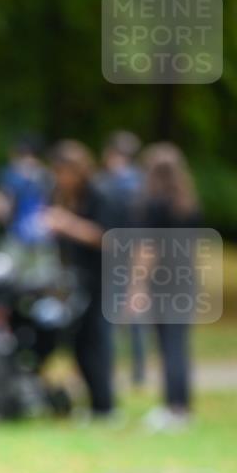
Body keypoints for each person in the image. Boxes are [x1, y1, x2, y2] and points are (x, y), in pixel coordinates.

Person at [43, 140, 120, 419]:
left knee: (97, 342)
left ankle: (106, 406)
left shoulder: (99, 196)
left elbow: (109, 238)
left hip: (103, 278)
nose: (61, 179)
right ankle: (94, 405)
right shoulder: (60, 195)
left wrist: (67, 224)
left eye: (65, 172)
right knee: (77, 343)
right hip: (75, 280)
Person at [135, 143, 202, 431]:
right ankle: (181, 407)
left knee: (168, 345)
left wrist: (137, 285)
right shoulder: (188, 205)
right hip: (186, 279)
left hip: (162, 282)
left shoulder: (154, 205)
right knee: (179, 345)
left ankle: (173, 409)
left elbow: (148, 249)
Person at [96, 130, 146, 386]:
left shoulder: (107, 184)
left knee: (112, 314)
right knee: (135, 312)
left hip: (115, 254)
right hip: (136, 251)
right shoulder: (142, 182)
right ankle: (138, 370)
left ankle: (111, 369)